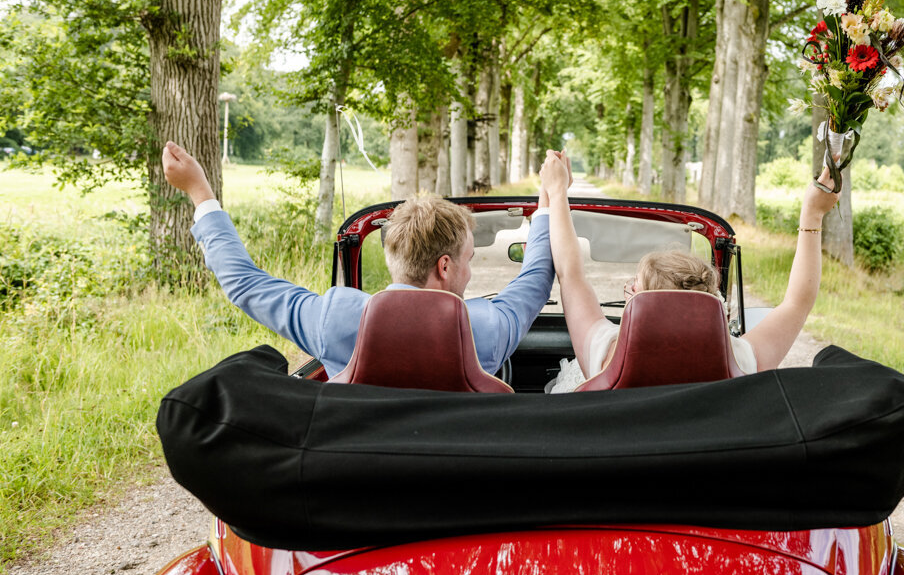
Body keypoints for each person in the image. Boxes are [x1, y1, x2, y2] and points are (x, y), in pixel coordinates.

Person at [161, 141, 555, 377]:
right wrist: (548, 207)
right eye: (469, 259)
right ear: (446, 266)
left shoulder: (337, 317)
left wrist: (200, 192)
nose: (470, 272)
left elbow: (244, 284)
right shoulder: (485, 327)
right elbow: (534, 280)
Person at [537, 151, 839, 393]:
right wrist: (812, 213)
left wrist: (557, 191)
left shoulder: (603, 356)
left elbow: (570, 272)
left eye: (635, 288)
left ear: (645, 307)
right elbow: (798, 302)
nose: (629, 288)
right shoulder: (741, 361)